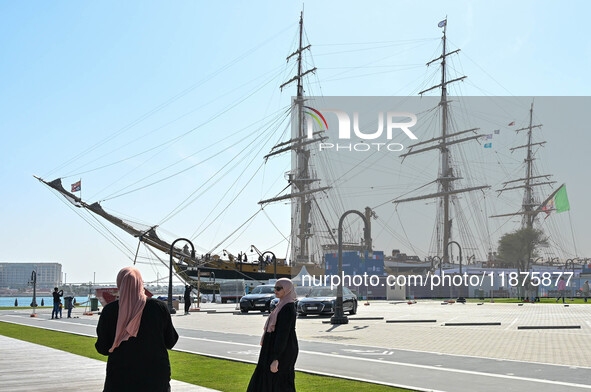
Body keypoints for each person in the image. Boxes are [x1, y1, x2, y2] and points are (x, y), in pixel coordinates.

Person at [95, 267, 179, 392]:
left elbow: (103, 347)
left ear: (120, 284)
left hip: (120, 377)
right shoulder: (158, 308)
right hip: (155, 377)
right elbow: (171, 341)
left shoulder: (110, 310)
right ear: (141, 283)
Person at [247, 278, 298, 392]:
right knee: (267, 378)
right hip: (273, 346)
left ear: (287, 290)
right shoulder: (280, 305)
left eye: (279, 288)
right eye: (274, 288)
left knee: (279, 381)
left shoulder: (287, 308)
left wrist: (276, 358)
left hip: (283, 350)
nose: (275, 291)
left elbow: (283, 334)